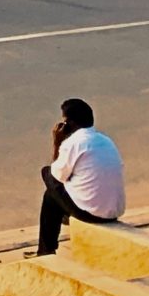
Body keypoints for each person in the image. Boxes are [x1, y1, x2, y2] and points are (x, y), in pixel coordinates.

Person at [37, 98, 125, 256]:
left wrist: (57, 142)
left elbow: (57, 175)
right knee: (57, 190)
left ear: (69, 123)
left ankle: (46, 250)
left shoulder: (73, 143)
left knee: (48, 179)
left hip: (92, 213)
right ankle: (61, 218)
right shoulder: (105, 140)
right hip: (113, 211)